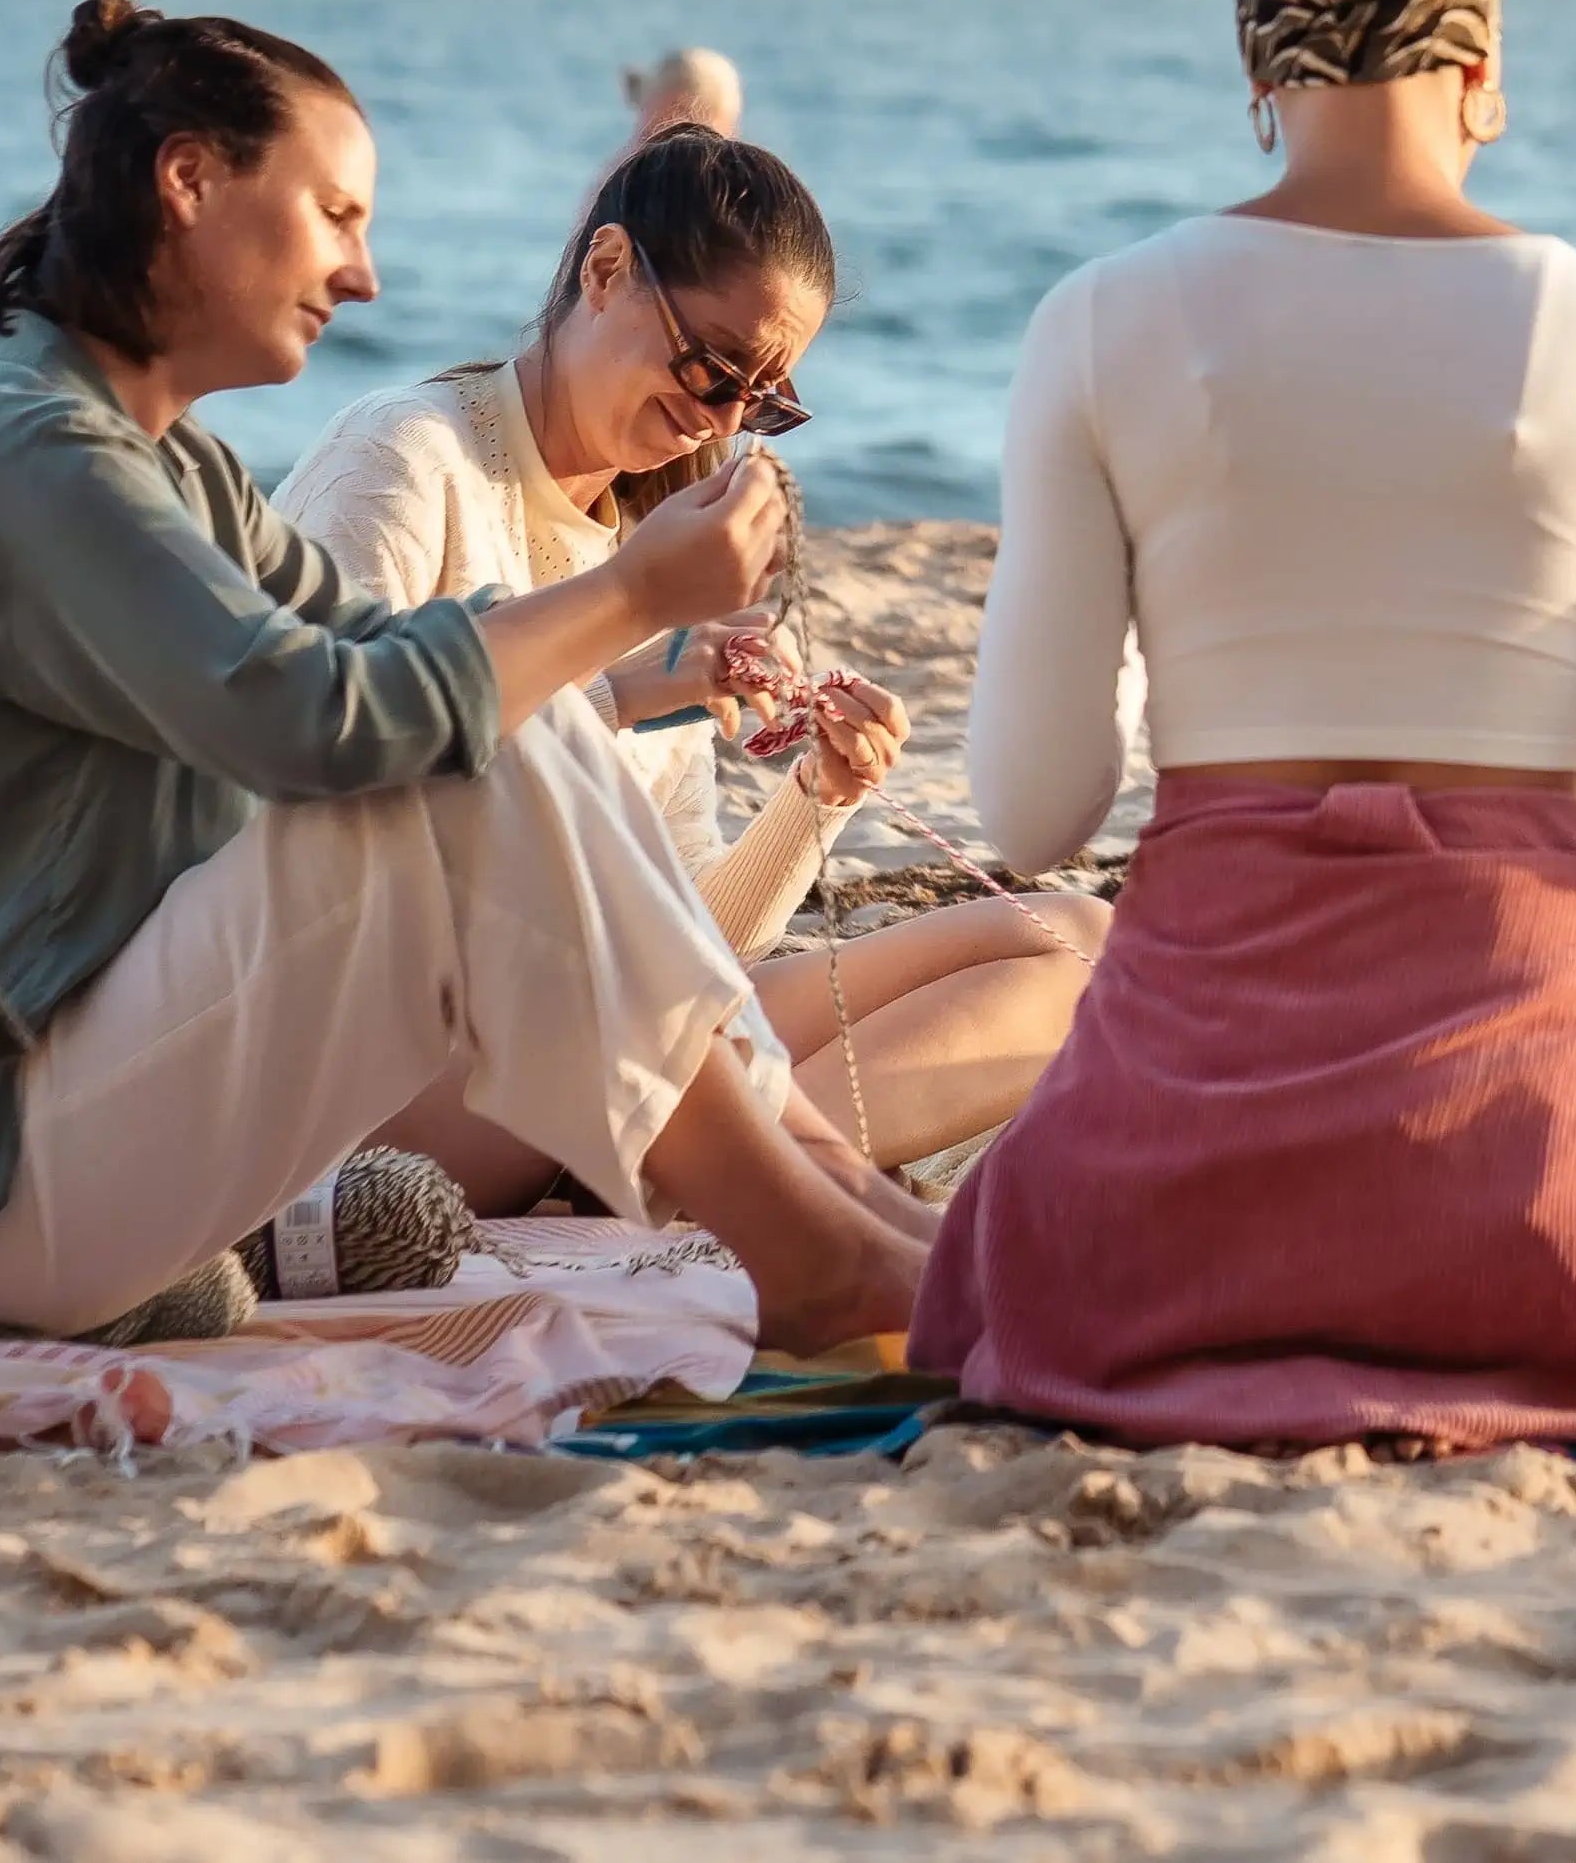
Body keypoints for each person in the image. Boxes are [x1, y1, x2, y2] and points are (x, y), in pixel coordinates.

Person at [0, 0, 927, 1353]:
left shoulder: (163, 463)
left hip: (56, 1122)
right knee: (475, 735)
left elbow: (389, 648)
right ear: (190, 180)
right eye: (338, 215)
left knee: (506, 707)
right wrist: (630, 595)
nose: (366, 273)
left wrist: (630, 636)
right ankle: (809, 1246)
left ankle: (833, 1210)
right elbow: (316, 721)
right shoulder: (25, 458)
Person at [919, 0, 1576, 1447]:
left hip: (1167, 1210)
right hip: (1544, 1202)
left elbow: (1033, 807)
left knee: (1016, 1259)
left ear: (1255, 56)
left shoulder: (1101, 323)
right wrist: (1538, 787)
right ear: (1481, 60)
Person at [281, 126, 1105, 1176]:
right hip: (403, 1051)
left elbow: (692, 943)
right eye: (710, 364)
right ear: (608, 268)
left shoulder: (651, 549)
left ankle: (739, 1188)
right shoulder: (409, 461)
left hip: (601, 1036)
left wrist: (818, 796)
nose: (717, 417)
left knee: (1077, 944)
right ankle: (752, 1187)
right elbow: (314, 802)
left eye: (759, 401)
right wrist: (617, 689)